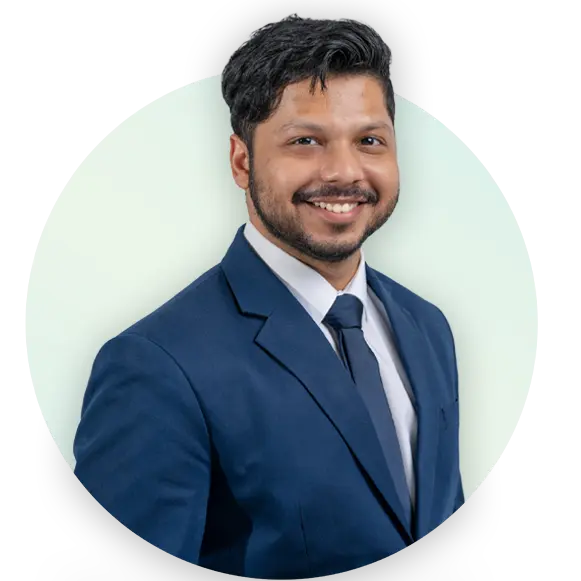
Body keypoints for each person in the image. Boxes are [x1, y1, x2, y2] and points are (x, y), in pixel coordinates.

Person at [73, 12, 463, 578]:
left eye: (369, 141)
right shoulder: (155, 366)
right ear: (242, 161)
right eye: (305, 141)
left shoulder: (427, 326)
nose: (345, 171)